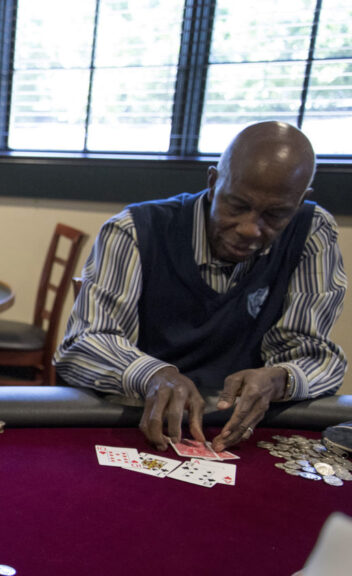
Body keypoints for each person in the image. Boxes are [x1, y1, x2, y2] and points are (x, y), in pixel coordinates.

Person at [55, 121, 346, 453]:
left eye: (276, 215)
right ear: (212, 182)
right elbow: (82, 344)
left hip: (242, 430)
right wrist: (153, 374)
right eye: (236, 206)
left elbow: (315, 355)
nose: (251, 229)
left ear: (299, 202)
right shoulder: (134, 230)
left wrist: (280, 378)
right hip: (142, 421)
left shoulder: (312, 231)